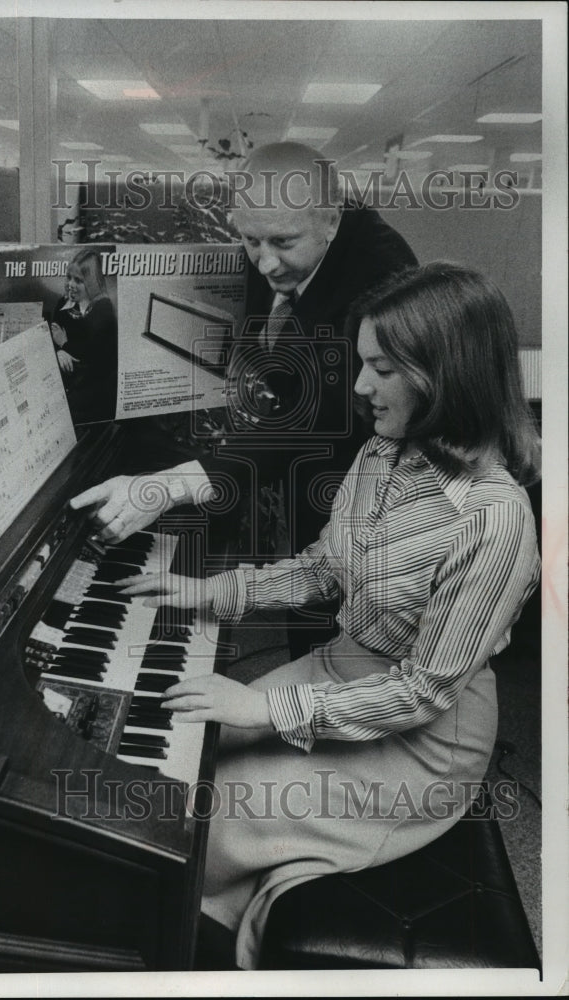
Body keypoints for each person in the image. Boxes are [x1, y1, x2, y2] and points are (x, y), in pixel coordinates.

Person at [116, 262, 541, 971]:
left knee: (205, 823)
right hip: (337, 673)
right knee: (185, 765)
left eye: (380, 368)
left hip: (421, 740)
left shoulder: (496, 520)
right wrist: (212, 592)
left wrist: (259, 705)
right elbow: (323, 569)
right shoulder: (382, 451)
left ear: (445, 375)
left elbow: (423, 692)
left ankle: (182, 948)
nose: (359, 387)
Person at [70, 141, 417, 655]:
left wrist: (181, 483)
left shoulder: (380, 273)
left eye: (282, 241)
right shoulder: (279, 245)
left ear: (331, 221)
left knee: (346, 632)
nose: (266, 263)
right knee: (309, 614)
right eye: (251, 240)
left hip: (368, 478)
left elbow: (326, 409)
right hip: (300, 468)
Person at [51, 248, 118, 424]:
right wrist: (59, 352)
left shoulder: (103, 309)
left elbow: (95, 360)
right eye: (69, 277)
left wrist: (65, 345)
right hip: (65, 382)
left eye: (78, 280)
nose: (70, 285)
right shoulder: (63, 303)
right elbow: (52, 338)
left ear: (92, 282)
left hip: (93, 394)